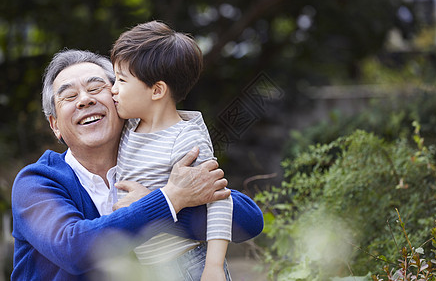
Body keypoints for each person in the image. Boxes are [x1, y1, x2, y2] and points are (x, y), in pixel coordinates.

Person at [11, 49, 264, 280]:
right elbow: (74, 249)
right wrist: (170, 200)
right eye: (69, 96)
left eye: (97, 88)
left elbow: (247, 221)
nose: (85, 100)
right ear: (55, 125)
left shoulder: (156, 162)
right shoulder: (35, 182)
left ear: (119, 100)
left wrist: (161, 200)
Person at [110, 21, 231, 280]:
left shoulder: (185, 140)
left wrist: (214, 266)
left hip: (187, 264)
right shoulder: (130, 125)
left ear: (157, 90)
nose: (113, 89)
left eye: (121, 80)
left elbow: (220, 199)